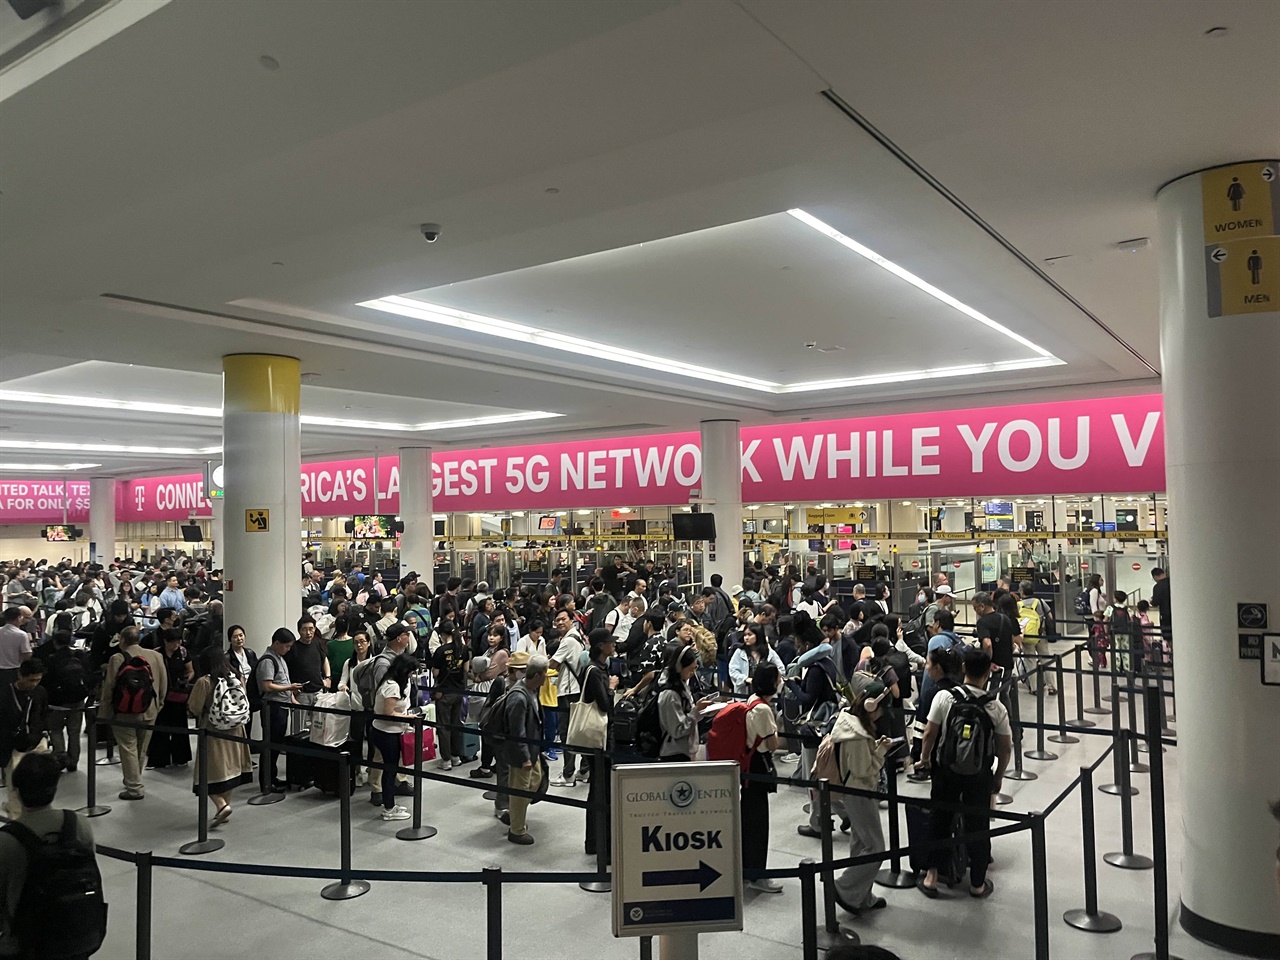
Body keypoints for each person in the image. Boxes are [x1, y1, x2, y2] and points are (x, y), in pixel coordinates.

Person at [917, 647, 1013, 898]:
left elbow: (929, 733)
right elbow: (1005, 748)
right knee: (977, 824)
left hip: (946, 769)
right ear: (988, 672)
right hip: (978, 774)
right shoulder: (995, 707)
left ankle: (932, 876)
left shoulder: (945, 698)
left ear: (962, 668)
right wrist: (998, 777)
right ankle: (977, 883)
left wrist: (925, 759)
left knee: (940, 818)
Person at [0, 753, 104, 960]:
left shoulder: (7, 840)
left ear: (17, 792)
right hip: (74, 933)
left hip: (24, 943)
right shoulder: (79, 824)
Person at [829, 681, 894, 916]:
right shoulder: (855, 734)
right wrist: (881, 751)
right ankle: (844, 888)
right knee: (875, 846)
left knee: (860, 843)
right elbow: (862, 769)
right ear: (870, 706)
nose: (882, 713)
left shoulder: (851, 723)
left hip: (856, 790)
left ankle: (861, 895)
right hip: (859, 791)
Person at [187, 647, 253, 827]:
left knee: (207, 774)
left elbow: (194, 707)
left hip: (212, 730)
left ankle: (221, 805)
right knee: (230, 771)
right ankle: (225, 806)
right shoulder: (237, 677)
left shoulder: (205, 682)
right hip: (237, 730)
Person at [100, 625, 168, 800]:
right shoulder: (156, 656)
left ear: (122, 640)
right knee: (141, 748)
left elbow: (109, 688)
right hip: (150, 709)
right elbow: (163, 684)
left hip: (124, 712)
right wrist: (158, 704)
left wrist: (104, 713)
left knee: (127, 747)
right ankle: (135, 779)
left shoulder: (117, 658)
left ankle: (134, 787)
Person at [742, 662, 782, 893]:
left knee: (748, 818)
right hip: (758, 765)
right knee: (759, 822)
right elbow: (772, 743)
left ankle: (748, 868)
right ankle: (758, 874)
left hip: (748, 764)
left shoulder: (750, 700)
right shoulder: (764, 710)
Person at [502, 654, 548, 845]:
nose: (547, 678)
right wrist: (525, 757)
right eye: (545, 674)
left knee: (536, 782)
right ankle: (517, 830)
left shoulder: (532, 690)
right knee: (521, 789)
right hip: (522, 752)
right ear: (537, 675)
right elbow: (517, 731)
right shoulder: (519, 697)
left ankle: (513, 812)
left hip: (533, 749)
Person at [580, 629, 618, 860]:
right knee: (599, 789)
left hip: (603, 735)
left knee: (601, 788)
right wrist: (612, 687)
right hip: (598, 737)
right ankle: (595, 841)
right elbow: (604, 704)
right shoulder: (595, 671)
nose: (613, 646)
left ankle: (599, 839)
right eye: (610, 642)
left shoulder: (601, 668)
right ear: (601, 646)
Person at [368, 653, 419, 822]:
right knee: (390, 771)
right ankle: (389, 808)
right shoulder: (392, 686)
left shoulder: (389, 681)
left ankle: (389, 804)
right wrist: (409, 718)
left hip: (387, 731)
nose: (411, 675)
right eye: (410, 672)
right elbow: (389, 713)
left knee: (391, 769)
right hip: (386, 733)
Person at [33, 629, 88, 773]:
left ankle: (60, 758)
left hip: (56, 702)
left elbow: (46, 681)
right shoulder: (79, 655)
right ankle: (73, 761)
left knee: (56, 730)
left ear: (55, 643)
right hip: (77, 700)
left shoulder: (51, 659)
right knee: (74, 732)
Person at [255, 628, 302, 794]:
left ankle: (272, 777)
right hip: (272, 708)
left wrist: (291, 696)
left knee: (275, 746)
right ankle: (266, 782)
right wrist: (289, 687)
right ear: (276, 643)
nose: (288, 649)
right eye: (286, 646)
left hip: (281, 706)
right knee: (270, 746)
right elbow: (267, 685)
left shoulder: (279, 658)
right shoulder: (268, 660)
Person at [1, 660, 48, 810]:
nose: (34, 684)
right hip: (12, 745)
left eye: (38, 680)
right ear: (20, 675)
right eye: (31, 680)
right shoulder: (5, 694)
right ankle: (15, 815)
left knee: (40, 784)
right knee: (14, 785)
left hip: (36, 741)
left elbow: (43, 714)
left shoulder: (40, 692)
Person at [146, 628, 193, 769]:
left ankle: (181, 757)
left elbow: (190, 670)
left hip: (178, 695)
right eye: (173, 642)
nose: (176, 645)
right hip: (161, 695)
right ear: (166, 641)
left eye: (178, 642)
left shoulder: (183, 652)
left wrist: (186, 680)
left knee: (180, 726)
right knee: (160, 727)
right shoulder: (156, 653)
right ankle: (159, 759)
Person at [549, 611, 586, 787]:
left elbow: (553, 664)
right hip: (579, 689)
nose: (560, 622)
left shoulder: (568, 641)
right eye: (557, 620)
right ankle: (584, 770)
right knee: (580, 731)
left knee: (566, 732)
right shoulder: (579, 637)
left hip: (568, 690)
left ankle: (568, 774)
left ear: (572, 620)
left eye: (563, 619)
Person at [658, 645, 714, 762]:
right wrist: (695, 712)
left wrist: (702, 711)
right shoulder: (670, 695)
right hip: (673, 753)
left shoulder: (683, 687)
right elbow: (677, 730)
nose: (693, 673)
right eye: (690, 669)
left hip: (686, 749)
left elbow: (688, 717)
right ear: (679, 668)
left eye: (695, 669)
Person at [431, 619, 471, 771]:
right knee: (456, 724)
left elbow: (435, 672)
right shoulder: (463, 649)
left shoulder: (440, 651)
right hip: (459, 691)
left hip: (444, 692)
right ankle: (456, 756)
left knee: (443, 726)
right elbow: (466, 669)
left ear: (441, 634)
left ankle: (446, 759)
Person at [728, 623, 784, 696]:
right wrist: (745, 679)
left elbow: (781, 669)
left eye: (750, 635)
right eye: (745, 635)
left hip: (766, 695)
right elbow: (733, 671)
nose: (746, 638)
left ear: (758, 635)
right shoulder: (740, 652)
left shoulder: (769, 652)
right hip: (745, 694)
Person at [225, 624, 259, 740]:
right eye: (235, 637)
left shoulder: (250, 653)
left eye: (241, 635)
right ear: (230, 639)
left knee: (248, 723)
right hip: (237, 695)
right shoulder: (227, 657)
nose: (239, 639)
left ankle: (247, 750)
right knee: (239, 725)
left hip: (250, 693)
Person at [0, 608, 31, 692]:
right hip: (13, 670)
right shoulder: (21, 635)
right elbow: (27, 655)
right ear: (18, 618)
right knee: (11, 695)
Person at [1150, 567, 1171, 650]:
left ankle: (1171, 654)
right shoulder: (1174, 582)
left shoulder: (1158, 587)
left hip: (1165, 615)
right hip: (1178, 614)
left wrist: (1152, 601)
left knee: (1168, 636)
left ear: (1155, 576)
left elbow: (1155, 602)